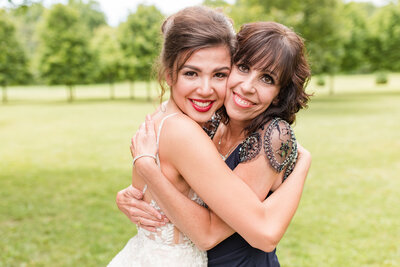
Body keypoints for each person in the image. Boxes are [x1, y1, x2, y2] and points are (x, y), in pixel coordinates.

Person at [114, 7, 312, 267]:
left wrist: (303, 163)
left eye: (266, 78)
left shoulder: (271, 136)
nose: (247, 87)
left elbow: (262, 235)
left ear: (278, 92)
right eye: (242, 68)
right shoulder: (207, 123)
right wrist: (135, 192)